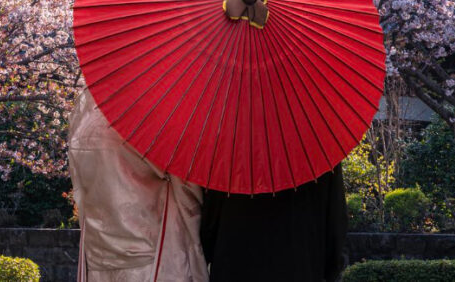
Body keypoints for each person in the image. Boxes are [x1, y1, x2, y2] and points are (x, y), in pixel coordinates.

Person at [68, 86, 208, 282]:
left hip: (99, 254)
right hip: (150, 255)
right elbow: (187, 191)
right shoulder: (148, 114)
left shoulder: (84, 119)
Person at [199, 165, 348, 282]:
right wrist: (331, 268)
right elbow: (336, 221)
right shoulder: (318, 148)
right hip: (300, 266)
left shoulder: (228, 149)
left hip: (235, 267)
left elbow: (209, 227)